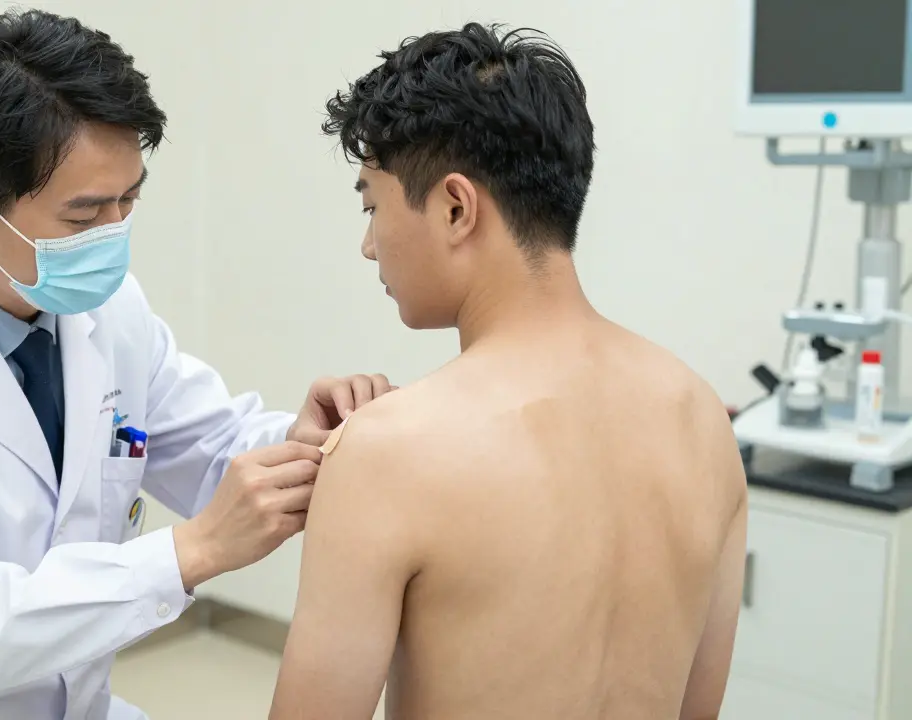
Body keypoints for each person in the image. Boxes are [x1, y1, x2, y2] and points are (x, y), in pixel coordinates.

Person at [0, 10, 390, 720]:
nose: (114, 233)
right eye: (83, 218)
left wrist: (311, 446)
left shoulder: (106, 315)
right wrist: (193, 551)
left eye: (130, 199)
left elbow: (202, 446)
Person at [270, 23, 747, 720]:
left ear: (456, 208)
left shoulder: (386, 452)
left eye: (373, 206)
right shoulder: (703, 417)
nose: (369, 245)